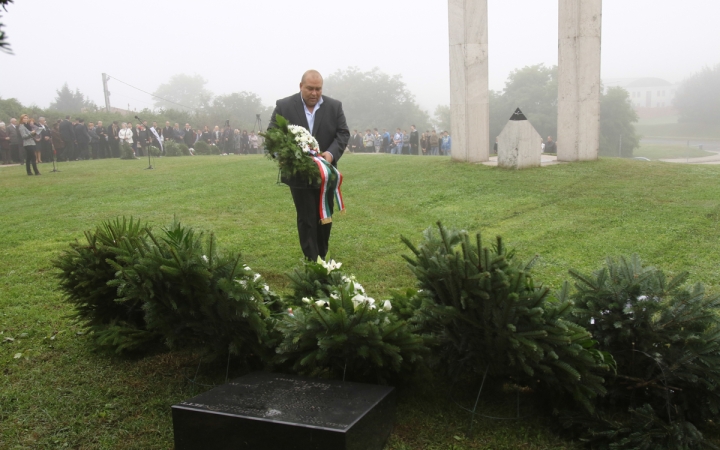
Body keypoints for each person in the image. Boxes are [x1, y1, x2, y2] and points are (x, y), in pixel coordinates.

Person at [267, 69, 349, 261]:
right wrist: (285, 156)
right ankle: (312, 260)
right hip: (298, 173)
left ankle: (322, 254)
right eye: (310, 89)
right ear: (301, 86)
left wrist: (329, 155)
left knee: (324, 215)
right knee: (306, 218)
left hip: (325, 172)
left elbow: (343, 133)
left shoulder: (334, 106)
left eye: (318, 89)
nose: (314, 93)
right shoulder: (284, 106)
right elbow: (273, 133)